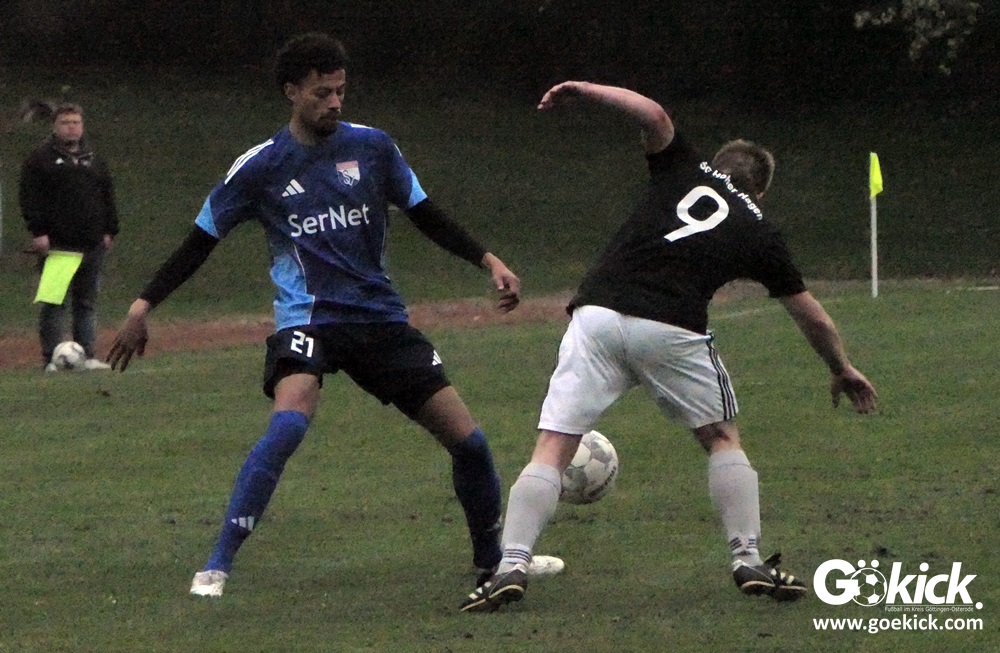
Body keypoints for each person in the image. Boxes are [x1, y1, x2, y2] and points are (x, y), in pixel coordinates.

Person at [106, 32, 555, 597]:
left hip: (378, 318)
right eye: (322, 93)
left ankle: (493, 562)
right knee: (289, 422)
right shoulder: (260, 167)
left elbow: (425, 214)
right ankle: (216, 566)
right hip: (308, 319)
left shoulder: (373, 147)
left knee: (470, 443)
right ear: (292, 92)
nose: (335, 102)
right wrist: (142, 306)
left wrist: (488, 261)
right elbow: (199, 243)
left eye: (340, 91)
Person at [460, 81, 878, 613]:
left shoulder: (683, 166)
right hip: (670, 327)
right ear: (761, 191)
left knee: (554, 445)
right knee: (721, 437)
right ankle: (748, 558)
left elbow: (654, 114)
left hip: (597, 315)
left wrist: (582, 90)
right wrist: (841, 367)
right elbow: (810, 314)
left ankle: (511, 565)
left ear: (718, 166)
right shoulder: (759, 229)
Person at [19, 102, 118, 372]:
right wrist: (38, 231)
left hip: (92, 243)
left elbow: (107, 195)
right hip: (59, 245)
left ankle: (88, 354)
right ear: (54, 126)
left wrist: (110, 229)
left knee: (86, 303)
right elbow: (29, 198)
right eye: (65, 123)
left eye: (76, 122)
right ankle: (50, 358)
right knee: (55, 302)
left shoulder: (93, 159)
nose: (71, 127)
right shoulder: (40, 160)